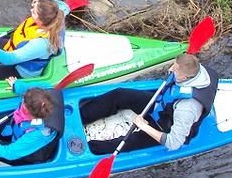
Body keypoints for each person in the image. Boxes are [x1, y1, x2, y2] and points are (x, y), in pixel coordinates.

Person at [82, 52, 219, 155]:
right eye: (174, 65)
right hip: (161, 108)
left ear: (184, 77)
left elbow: (174, 143)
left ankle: (88, 148)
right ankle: (83, 115)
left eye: (175, 70)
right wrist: (177, 68)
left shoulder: (187, 108)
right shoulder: (196, 69)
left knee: (123, 142)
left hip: (167, 126)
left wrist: (143, 126)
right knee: (120, 94)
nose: (171, 69)